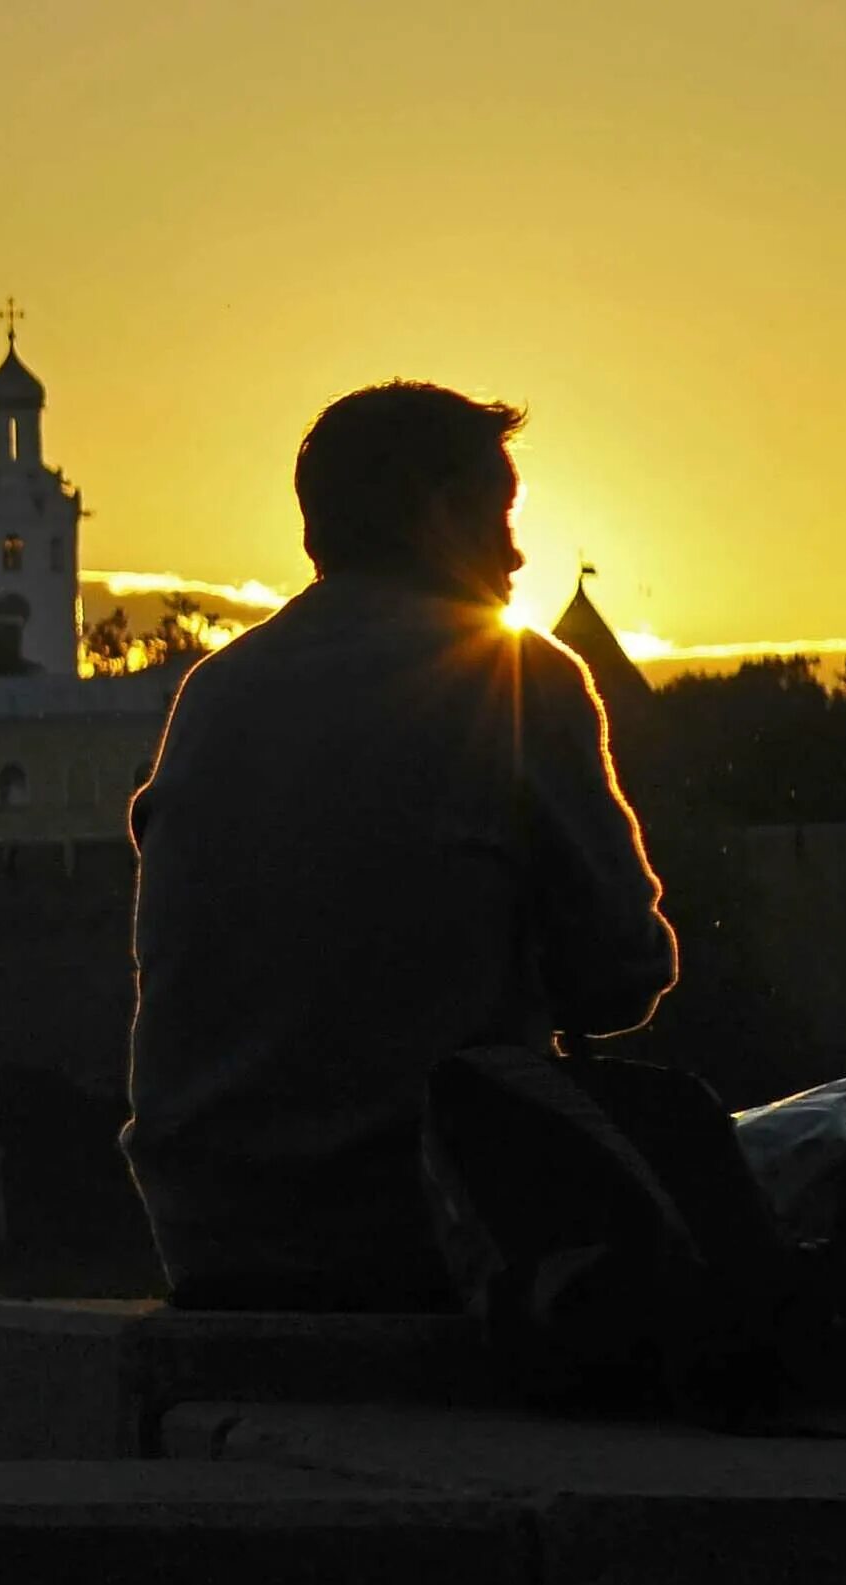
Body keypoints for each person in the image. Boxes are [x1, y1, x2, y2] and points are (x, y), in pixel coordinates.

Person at [122, 381, 677, 1310]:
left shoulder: (217, 690)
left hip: (210, 1236)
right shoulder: (514, 674)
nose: (517, 551)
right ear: (439, 513)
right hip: (416, 1230)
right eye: (500, 515)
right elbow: (620, 973)